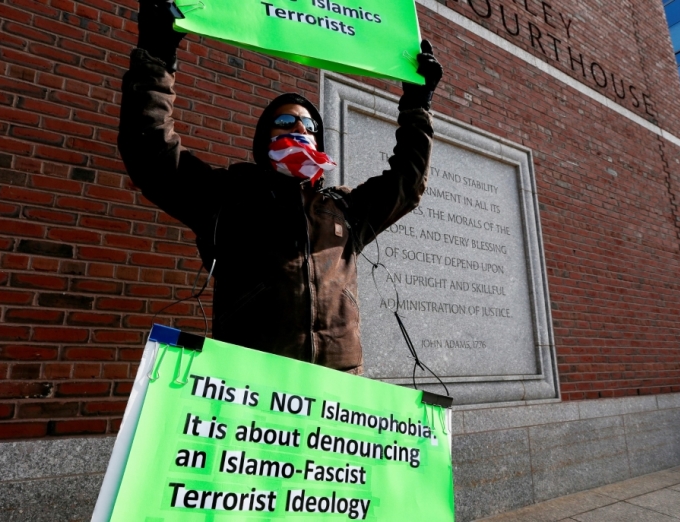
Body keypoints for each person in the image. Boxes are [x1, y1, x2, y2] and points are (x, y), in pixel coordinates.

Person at [119, 0, 443, 374]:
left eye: (309, 127)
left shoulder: (344, 209)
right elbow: (150, 150)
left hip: (336, 392)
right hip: (252, 390)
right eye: (286, 121)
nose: (299, 130)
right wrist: (157, 56)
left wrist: (418, 106)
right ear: (264, 139)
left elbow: (408, 180)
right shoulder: (228, 195)